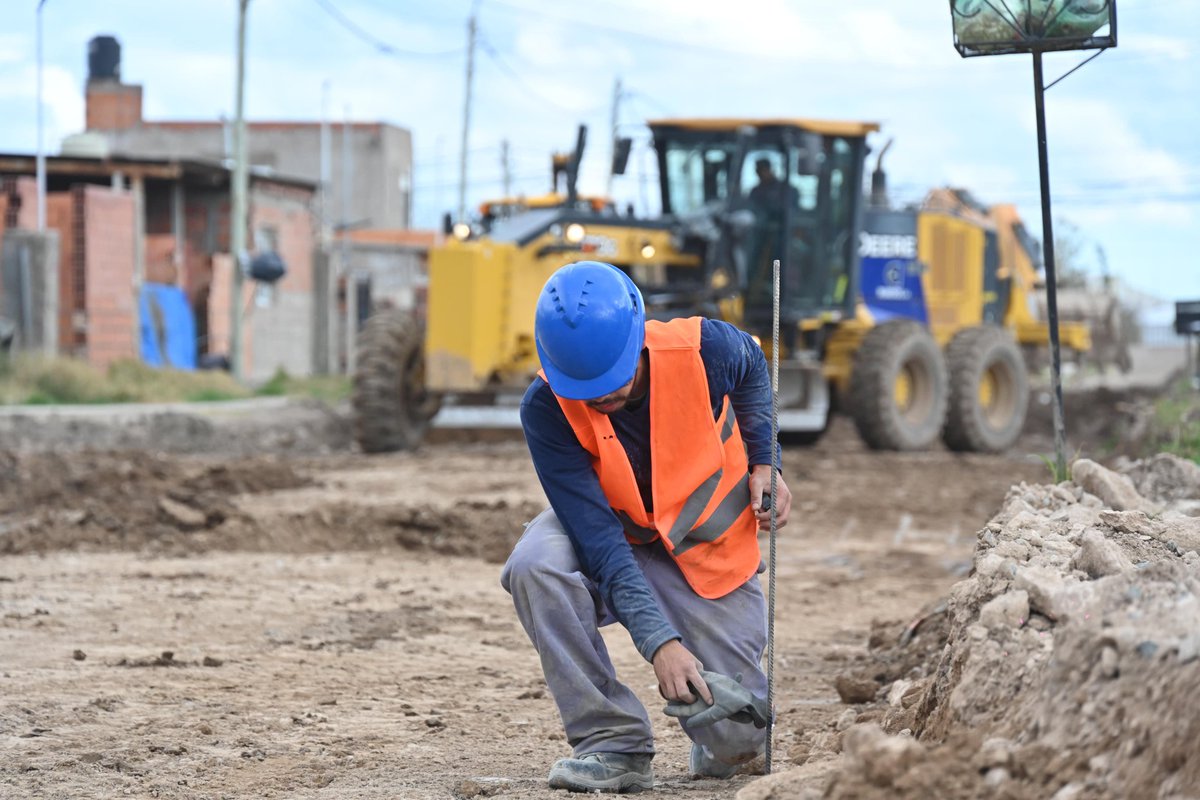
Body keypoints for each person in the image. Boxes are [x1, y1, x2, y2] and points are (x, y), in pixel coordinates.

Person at [501, 260, 793, 792]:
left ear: (638, 339)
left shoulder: (706, 349)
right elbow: (598, 541)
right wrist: (661, 645)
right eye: (586, 390)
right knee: (536, 563)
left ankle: (716, 742)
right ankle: (613, 742)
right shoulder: (546, 407)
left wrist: (765, 460)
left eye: (613, 381)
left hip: (703, 552)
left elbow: (753, 365)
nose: (601, 400)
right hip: (615, 535)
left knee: (740, 738)